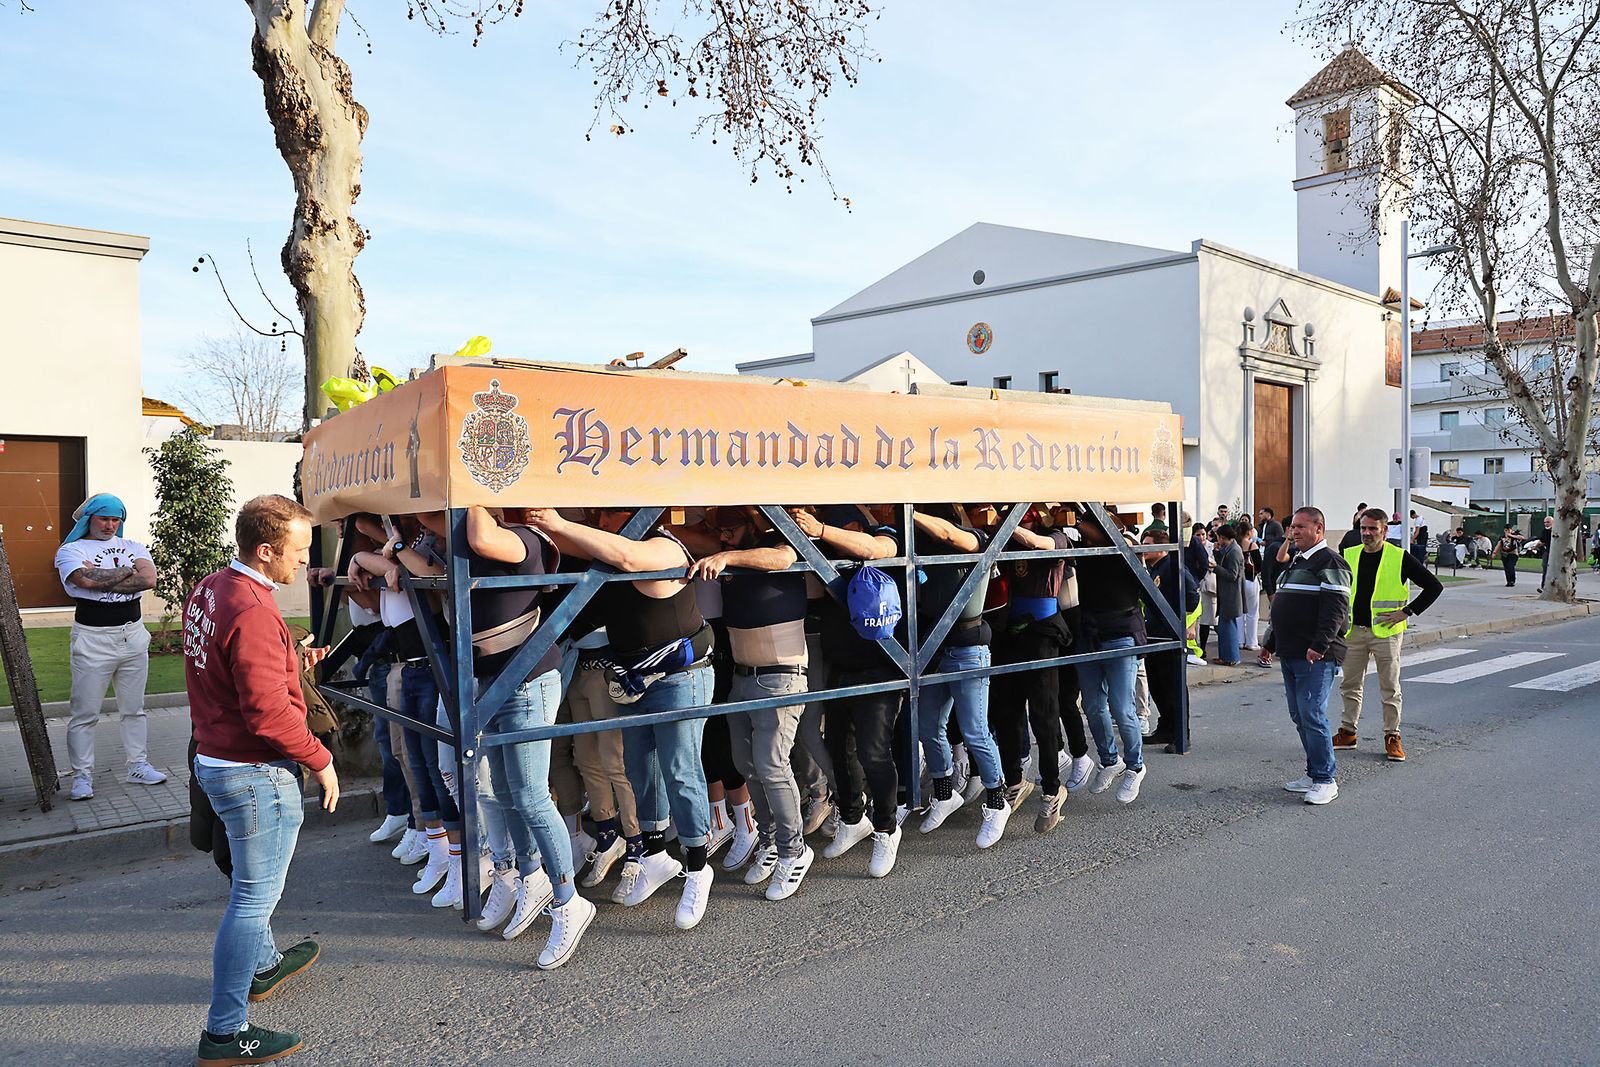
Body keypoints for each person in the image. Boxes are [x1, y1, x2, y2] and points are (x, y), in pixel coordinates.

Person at [186, 494, 339, 1066]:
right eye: (298, 552)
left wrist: (289, 659)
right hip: (252, 773)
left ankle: (266, 964)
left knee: (250, 889)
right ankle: (224, 1032)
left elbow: (227, 668)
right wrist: (319, 758)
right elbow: (267, 714)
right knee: (252, 900)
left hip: (217, 757)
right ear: (267, 549)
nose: (304, 563)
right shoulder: (252, 609)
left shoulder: (213, 586)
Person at [526, 506, 718, 928]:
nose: (600, 520)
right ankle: (652, 854)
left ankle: (698, 866)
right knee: (639, 767)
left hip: (679, 677)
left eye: (609, 514)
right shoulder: (614, 549)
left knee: (679, 769)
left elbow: (629, 558)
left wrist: (558, 523)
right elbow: (589, 546)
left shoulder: (664, 546)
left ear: (636, 516)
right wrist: (549, 527)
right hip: (635, 678)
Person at [688, 506, 818, 900]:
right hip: (743, 675)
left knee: (772, 765)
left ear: (752, 523)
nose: (722, 537)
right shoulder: (731, 544)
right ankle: (771, 839)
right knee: (746, 765)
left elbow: (782, 558)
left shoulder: (777, 542)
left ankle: (794, 850)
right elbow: (690, 536)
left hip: (782, 674)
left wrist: (728, 556)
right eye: (719, 531)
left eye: (729, 529)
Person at [788, 504, 908, 878]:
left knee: (874, 753)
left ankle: (887, 828)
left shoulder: (883, 535)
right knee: (841, 750)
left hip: (881, 668)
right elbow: (809, 591)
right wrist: (810, 541)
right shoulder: (829, 555)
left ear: (853, 525)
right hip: (841, 668)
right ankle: (853, 818)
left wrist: (821, 529)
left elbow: (876, 549)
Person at [906, 504, 1012, 848]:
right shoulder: (922, 547)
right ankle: (944, 792)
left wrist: (907, 511)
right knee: (929, 727)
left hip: (968, 649)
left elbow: (952, 534)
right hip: (935, 651)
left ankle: (998, 801)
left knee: (974, 731)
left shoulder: (973, 538)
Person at [53, 493, 166, 800]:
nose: (110, 525)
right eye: (104, 518)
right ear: (90, 518)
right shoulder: (70, 550)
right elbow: (84, 581)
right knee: (85, 712)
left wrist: (104, 575)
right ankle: (82, 776)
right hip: (92, 638)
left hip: (133, 634)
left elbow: (149, 580)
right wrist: (129, 573)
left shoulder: (134, 546)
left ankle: (138, 766)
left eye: (116, 519)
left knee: (134, 709)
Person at [996, 506, 1084, 832]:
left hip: (1043, 633)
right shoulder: (1009, 543)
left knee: (1044, 718)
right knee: (1006, 712)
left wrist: (1007, 528)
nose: (1020, 523)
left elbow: (1036, 542)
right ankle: (1015, 781)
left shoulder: (1055, 537)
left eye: (1024, 516)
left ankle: (1051, 789)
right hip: (1011, 633)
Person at [1335, 507, 1444, 764]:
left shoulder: (1399, 556)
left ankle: (1392, 736)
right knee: (1350, 685)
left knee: (1390, 688)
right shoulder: (1348, 554)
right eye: (1363, 528)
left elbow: (1434, 587)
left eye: (1373, 528)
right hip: (1354, 631)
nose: (1367, 533)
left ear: (1384, 530)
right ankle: (1348, 732)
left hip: (1386, 634)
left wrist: (1407, 611)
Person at [1257, 506, 1350, 806]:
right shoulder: (1297, 561)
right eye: (1292, 527)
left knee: (1312, 714)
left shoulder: (1331, 562)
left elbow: (1335, 610)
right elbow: (1281, 605)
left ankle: (1326, 779)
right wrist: (1270, 641)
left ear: (1318, 529)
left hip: (1316, 656)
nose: (1293, 532)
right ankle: (1313, 773)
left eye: (1300, 527)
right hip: (1290, 651)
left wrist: (1320, 645)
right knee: (1300, 715)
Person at [1073, 510, 1150, 804]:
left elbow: (1117, 539)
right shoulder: (1082, 549)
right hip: (1090, 632)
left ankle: (1135, 766)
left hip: (1121, 632)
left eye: (1085, 524)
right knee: (1092, 705)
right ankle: (1109, 760)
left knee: (1121, 707)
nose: (1080, 530)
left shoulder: (1124, 544)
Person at [1141, 529, 1198, 751]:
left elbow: (1192, 597)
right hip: (1154, 635)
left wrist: (1182, 624)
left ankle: (1181, 734)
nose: (1143, 548)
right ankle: (1165, 728)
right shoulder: (1153, 568)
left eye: (1147, 544)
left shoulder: (1174, 567)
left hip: (1170, 635)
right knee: (1157, 685)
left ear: (1161, 547)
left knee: (1172, 687)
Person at [1210, 523, 1244, 667]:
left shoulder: (1235, 551)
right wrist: (1217, 554)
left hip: (1231, 595)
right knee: (1224, 627)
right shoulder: (1229, 548)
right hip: (1226, 594)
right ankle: (1226, 656)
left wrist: (1215, 568)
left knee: (1227, 627)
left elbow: (1232, 575)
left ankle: (1231, 657)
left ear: (1222, 537)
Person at [1537, 514, 1556, 591]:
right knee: (1545, 567)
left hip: (1555, 552)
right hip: (1547, 551)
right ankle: (1543, 586)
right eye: (1545, 522)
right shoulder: (1545, 531)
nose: (1546, 524)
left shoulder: (1555, 530)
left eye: (1548, 522)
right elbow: (1542, 541)